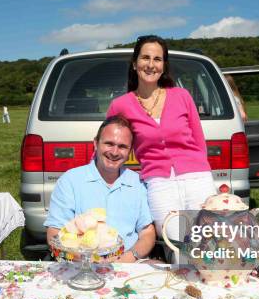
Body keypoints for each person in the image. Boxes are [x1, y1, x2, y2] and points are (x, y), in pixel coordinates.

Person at [106, 35, 215, 240]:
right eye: (145, 58)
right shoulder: (120, 105)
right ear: (134, 63)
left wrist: (200, 171)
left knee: (209, 241)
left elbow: (199, 142)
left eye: (157, 59)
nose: (151, 64)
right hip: (158, 183)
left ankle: (216, 274)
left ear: (164, 66)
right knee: (175, 242)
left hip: (197, 178)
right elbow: (109, 143)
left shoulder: (182, 96)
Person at [44, 115, 156, 263]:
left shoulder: (137, 182)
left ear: (130, 151)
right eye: (109, 143)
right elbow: (54, 234)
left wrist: (128, 258)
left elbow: (147, 232)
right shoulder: (70, 180)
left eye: (122, 146)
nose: (115, 152)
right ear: (96, 143)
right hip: (79, 265)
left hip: (128, 263)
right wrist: (85, 260)